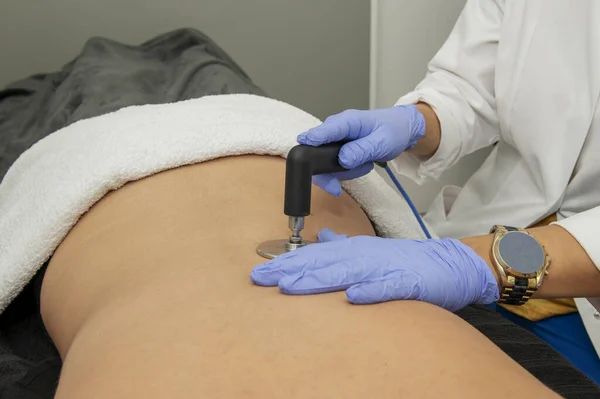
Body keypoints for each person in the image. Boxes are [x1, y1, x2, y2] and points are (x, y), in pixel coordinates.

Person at [250, 0, 600, 385]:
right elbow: (471, 90)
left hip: (573, 297)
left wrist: (472, 263)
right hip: (483, 233)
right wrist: (418, 123)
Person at [41, 154, 577, 398]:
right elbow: (472, 85)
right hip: (238, 134)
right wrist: (424, 117)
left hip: (97, 157)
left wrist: (477, 262)